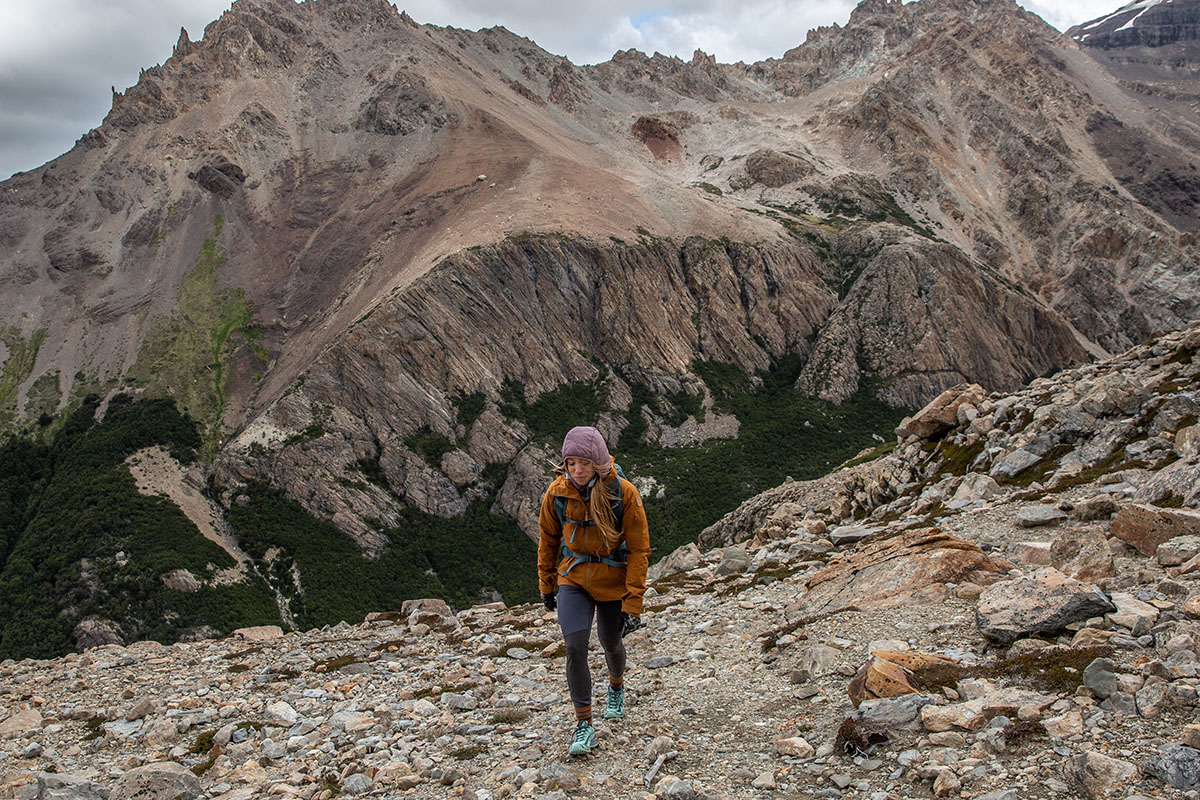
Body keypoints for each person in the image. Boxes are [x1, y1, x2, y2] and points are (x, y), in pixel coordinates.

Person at [537, 425, 651, 757]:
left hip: (613, 579)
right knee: (575, 647)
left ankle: (616, 686)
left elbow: (639, 550)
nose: (577, 470)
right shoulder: (557, 494)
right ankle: (584, 725)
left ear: (598, 462)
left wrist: (633, 604)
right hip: (573, 577)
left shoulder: (624, 493)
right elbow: (548, 540)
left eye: (584, 463)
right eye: (571, 463)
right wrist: (547, 584)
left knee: (611, 642)